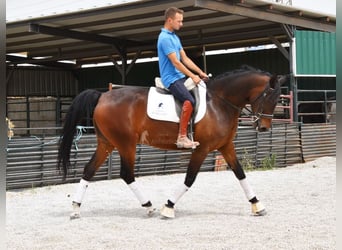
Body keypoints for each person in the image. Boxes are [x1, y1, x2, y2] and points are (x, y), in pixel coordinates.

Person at [157, 7, 209, 149]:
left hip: (180, 77)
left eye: (182, 21)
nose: (181, 24)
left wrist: (200, 72)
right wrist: (193, 76)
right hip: (171, 79)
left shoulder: (175, 37)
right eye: (179, 21)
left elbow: (185, 58)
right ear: (169, 20)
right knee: (189, 100)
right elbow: (176, 62)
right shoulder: (165, 38)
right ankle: (181, 137)